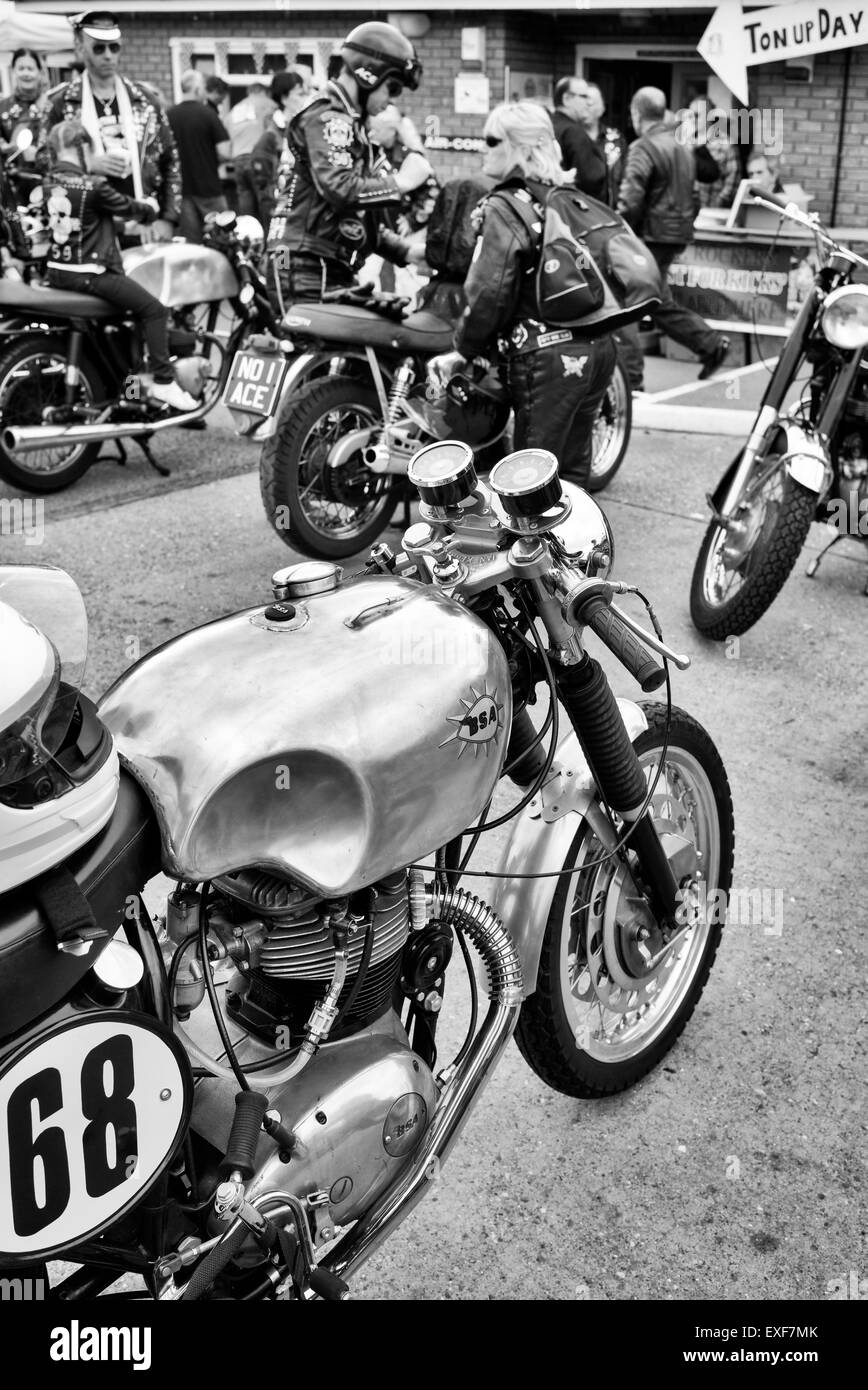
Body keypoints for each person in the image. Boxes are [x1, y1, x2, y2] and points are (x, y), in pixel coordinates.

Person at [427, 101, 617, 491]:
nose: (483, 147)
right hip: (597, 350)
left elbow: (488, 294)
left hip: (544, 358)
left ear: (522, 148)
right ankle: (578, 550)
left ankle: (538, 552)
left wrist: (463, 349)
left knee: (528, 485)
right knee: (573, 478)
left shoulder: (506, 205)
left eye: (492, 140)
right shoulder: (566, 197)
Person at [269, 19, 432, 309]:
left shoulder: (347, 122)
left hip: (307, 259)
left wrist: (405, 251)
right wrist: (403, 181)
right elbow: (341, 189)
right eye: (392, 88)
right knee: (307, 348)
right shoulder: (329, 118)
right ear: (369, 75)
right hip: (298, 262)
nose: (392, 101)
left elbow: (349, 215)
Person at [43, 120, 196, 413]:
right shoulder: (94, 186)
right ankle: (164, 380)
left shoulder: (50, 182)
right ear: (83, 147)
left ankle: (132, 395)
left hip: (59, 272)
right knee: (154, 310)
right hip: (93, 273)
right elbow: (131, 208)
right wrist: (151, 208)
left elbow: (86, 220)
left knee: (123, 332)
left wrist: (123, 226)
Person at [616, 86, 729, 393]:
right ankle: (710, 344)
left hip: (648, 237)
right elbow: (694, 197)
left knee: (627, 301)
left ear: (636, 114)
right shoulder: (682, 147)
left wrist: (616, 232)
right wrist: (682, 225)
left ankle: (631, 379)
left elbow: (631, 198)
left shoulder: (643, 147)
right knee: (657, 299)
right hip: (672, 235)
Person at [40, 10, 180, 246]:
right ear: (79, 46)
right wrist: (86, 164)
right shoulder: (60, 102)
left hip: (144, 225)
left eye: (114, 48)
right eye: (99, 48)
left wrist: (167, 218)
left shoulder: (146, 100)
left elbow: (171, 160)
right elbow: (43, 159)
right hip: (88, 229)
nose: (108, 56)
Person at [166, 70, 231, 242]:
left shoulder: (168, 115)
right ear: (197, 89)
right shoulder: (209, 114)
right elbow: (225, 152)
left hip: (182, 191)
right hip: (209, 189)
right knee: (223, 237)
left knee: (192, 244)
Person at [248, 71, 310, 231]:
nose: (306, 98)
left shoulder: (306, 129)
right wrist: (275, 211)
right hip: (282, 218)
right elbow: (263, 182)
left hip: (305, 213)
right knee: (282, 255)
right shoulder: (272, 136)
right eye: (300, 94)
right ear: (284, 98)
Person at [550, 77, 607, 199]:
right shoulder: (573, 132)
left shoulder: (547, 125)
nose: (589, 103)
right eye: (584, 96)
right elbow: (591, 179)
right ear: (566, 99)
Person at [0, 48, 46, 200]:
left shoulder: (52, 105)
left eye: (30, 68)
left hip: (49, 184)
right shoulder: (3, 107)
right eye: (21, 68)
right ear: (13, 71)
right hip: (13, 188)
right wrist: (7, 148)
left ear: (39, 72)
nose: (26, 73)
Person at [578, 82, 626, 208]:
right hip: (577, 212)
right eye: (583, 102)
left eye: (591, 103)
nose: (586, 107)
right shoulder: (569, 137)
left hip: (609, 212)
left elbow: (625, 178)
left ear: (602, 108)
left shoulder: (615, 139)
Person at [230, 82, 274, 216]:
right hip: (257, 157)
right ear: (263, 91)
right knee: (265, 199)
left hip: (238, 159)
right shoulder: (268, 103)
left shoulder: (236, 108)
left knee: (245, 200)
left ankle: (249, 235)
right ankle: (268, 235)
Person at [688, 99, 741, 209]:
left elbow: (733, 177)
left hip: (712, 209)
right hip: (687, 209)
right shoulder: (685, 141)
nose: (693, 119)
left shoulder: (725, 143)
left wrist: (720, 202)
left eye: (697, 115)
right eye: (690, 115)